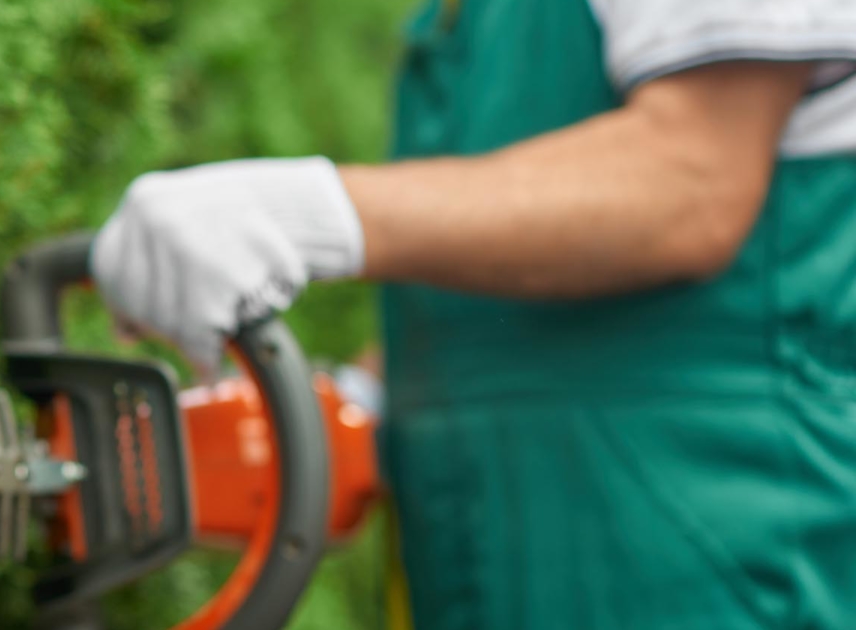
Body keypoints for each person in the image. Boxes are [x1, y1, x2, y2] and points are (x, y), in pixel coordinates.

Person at [88, 1, 856, 628]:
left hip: (705, 545)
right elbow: (507, 243)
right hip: (493, 554)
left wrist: (310, 211)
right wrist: (360, 407)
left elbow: (695, 178)